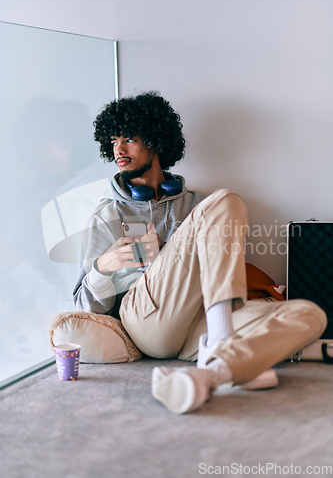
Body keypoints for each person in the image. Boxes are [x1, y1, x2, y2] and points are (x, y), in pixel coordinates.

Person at [74, 91, 327, 414]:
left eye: (129, 138)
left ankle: (213, 372)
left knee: (310, 315)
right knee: (227, 200)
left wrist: (175, 253)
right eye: (113, 141)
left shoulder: (197, 205)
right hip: (146, 319)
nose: (118, 150)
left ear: (155, 140)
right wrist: (102, 268)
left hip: (197, 321)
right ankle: (224, 339)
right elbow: (83, 307)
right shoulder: (106, 215)